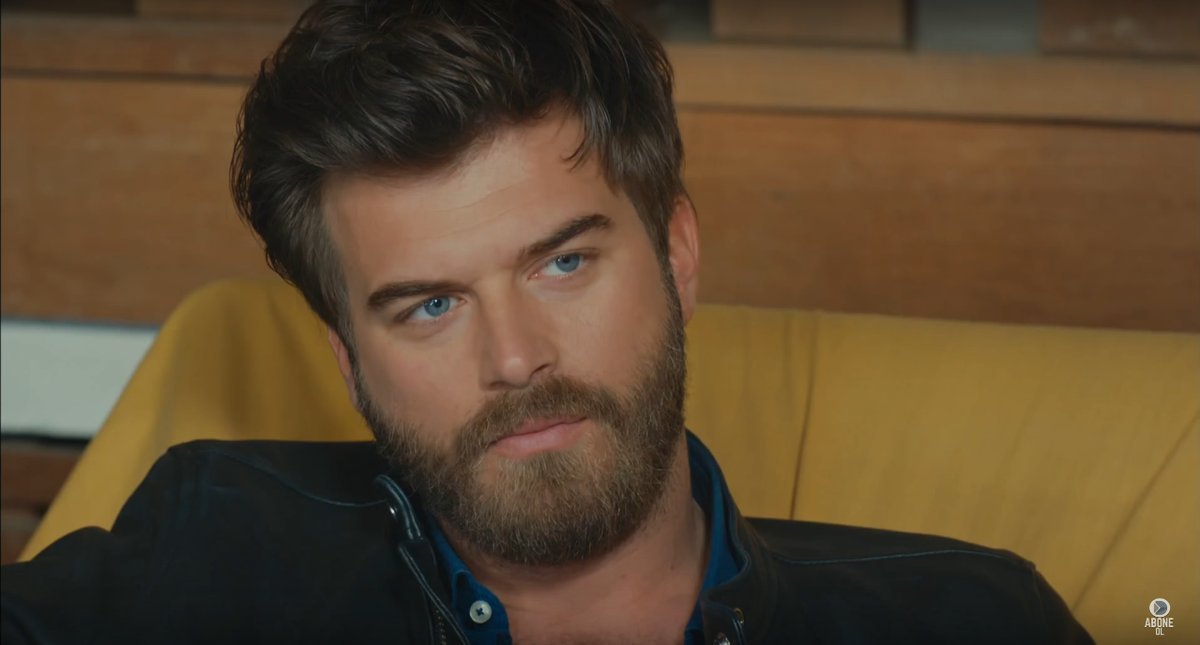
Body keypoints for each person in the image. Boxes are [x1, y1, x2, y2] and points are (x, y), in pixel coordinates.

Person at [1, 1, 1092, 643]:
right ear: (348, 358)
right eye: (430, 305)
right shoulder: (210, 547)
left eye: (563, 263)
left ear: (676, 254)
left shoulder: (965, 616)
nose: (516, 358)